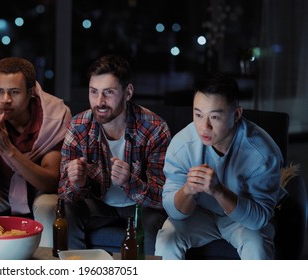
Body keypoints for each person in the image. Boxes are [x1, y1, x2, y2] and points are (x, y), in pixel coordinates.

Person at [154, 73, 287, 260]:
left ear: (237, 114)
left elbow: (258, 220)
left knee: (257, 249)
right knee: (167, 239)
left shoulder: (263, 153)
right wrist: (187, 190)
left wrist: (218, 191)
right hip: (198, 214)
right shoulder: (182, 144)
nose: (204, 127)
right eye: (198, 115)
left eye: (214, 117)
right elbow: (173, 211)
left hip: (243, 220)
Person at [58, 54, 171, 255]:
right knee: (67, 211)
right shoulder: (78, 127)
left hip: (140, 208)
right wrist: (78, 183)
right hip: (98, 205)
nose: (99, 101)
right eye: (94, 92)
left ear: (128, 93)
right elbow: (65, 193)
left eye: (108, 92)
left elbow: (164, 197)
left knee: (156, 222)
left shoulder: (154, 128)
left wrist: (130, 181)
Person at [0, 57, 72, 247]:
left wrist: (10, 151)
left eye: (14, 92)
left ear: (31, 91)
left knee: (47, 206)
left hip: (41, 190)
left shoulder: (56, 116)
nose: (5, 100)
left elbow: (51, 182)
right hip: (4, 187)